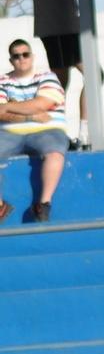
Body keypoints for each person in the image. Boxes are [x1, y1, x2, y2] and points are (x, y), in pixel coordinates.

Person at [24, 0, 88, 148]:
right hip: (52, 24)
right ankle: (55, 130)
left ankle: (84, 132)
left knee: (93, 76)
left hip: (71, 23)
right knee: (60, 81)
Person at [0, 39, 70, 223]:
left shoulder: (47, 77)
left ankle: (44, 204)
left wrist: (10, 106)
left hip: (47, 129)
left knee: (55, 152)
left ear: (32, 57)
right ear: (11, 60)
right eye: (16, 56)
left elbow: (43, 103)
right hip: (10, 132)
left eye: (25, 54)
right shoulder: (3, 80)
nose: (21, 58)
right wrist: (31, 115)